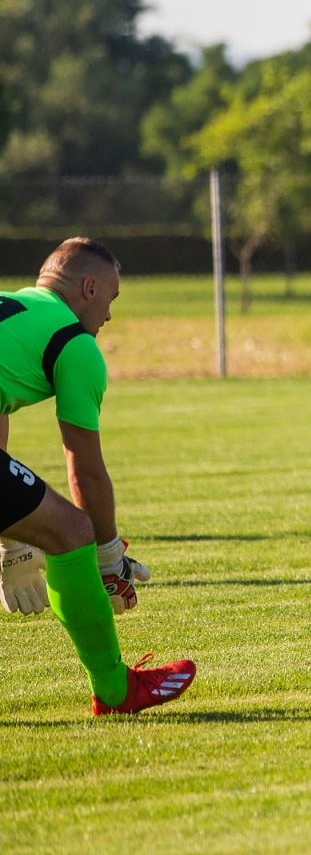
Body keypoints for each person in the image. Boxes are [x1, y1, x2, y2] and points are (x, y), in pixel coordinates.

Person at [0, 238, 195, 715]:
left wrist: (9, 541)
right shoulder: (74, 341)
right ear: (89, 288)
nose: (109, 315)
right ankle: (114, 689)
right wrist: (107, 554)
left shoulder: (16, 309)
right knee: (71, 531)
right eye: (111, 298)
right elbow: (84, 467)